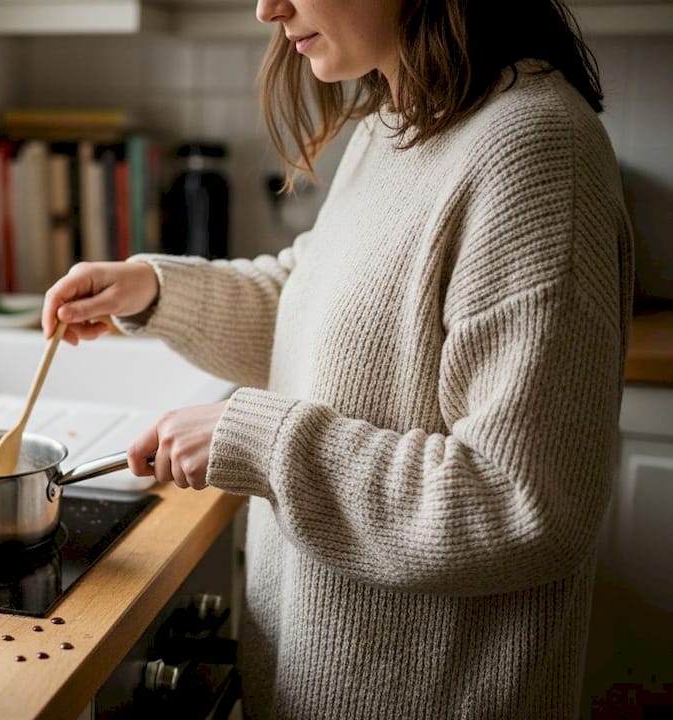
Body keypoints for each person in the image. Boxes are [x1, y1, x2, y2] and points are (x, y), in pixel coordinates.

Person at [42, 0, 632, 716]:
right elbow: (324, 315)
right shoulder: (399, 120)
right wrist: (156, 291)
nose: (268, 8)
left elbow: (523, 504)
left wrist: (260, 441)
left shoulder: (536, 151)